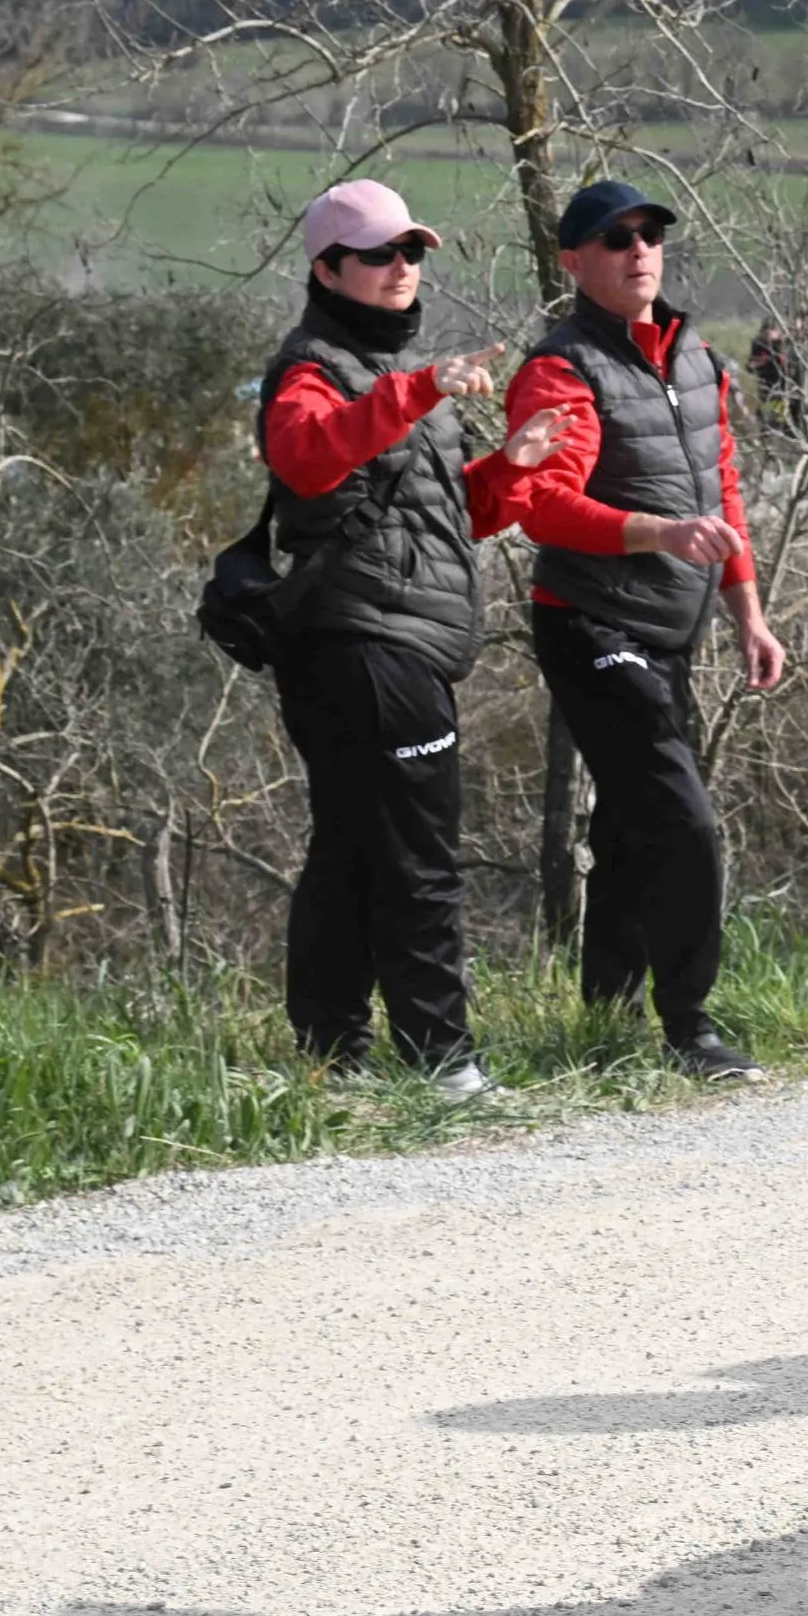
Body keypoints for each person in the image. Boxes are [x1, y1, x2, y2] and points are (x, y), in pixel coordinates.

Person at [255, 179, 566, 1097]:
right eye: (380, 254)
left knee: (352, 848)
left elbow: (436, 518)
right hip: (362, 641)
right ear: (326, 268)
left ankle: (332, 1061)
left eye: (412, 253)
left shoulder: (397, 381)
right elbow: (306, 460)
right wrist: (417, 389)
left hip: (392, 635)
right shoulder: (313, 369)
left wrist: (508, 470)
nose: (402, 269)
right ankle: (442, 1063)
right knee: (420, 856)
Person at [485, 178, 789, 1085]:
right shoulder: (561, 369)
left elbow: (721, 494)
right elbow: (539, 507)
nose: (638, 249)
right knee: (684, 822)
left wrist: (749, 614)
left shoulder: (697, 358)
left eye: (650, 234)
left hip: (673, 627)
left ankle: (605, 1018)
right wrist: (657, 534)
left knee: (629, 823)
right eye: (615, 239)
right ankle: (690, 1025)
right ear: (575, 263)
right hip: (590, 623)